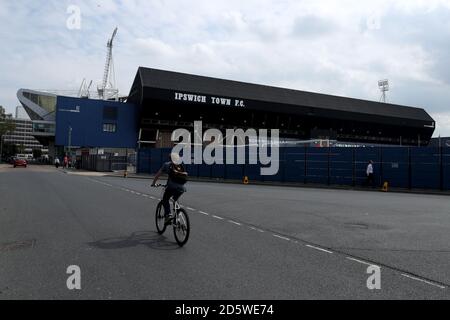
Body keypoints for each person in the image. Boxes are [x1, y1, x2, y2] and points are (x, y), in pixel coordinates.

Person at [151, 153, 188, 224]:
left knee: (165, 199)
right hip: (182, 188)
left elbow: (158, 174)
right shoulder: (180, 165)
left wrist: (153, 183)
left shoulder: (167, 165)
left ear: (170, 158)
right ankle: (177, 212)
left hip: (171, 187)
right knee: (175, 199)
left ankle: (168, 215)